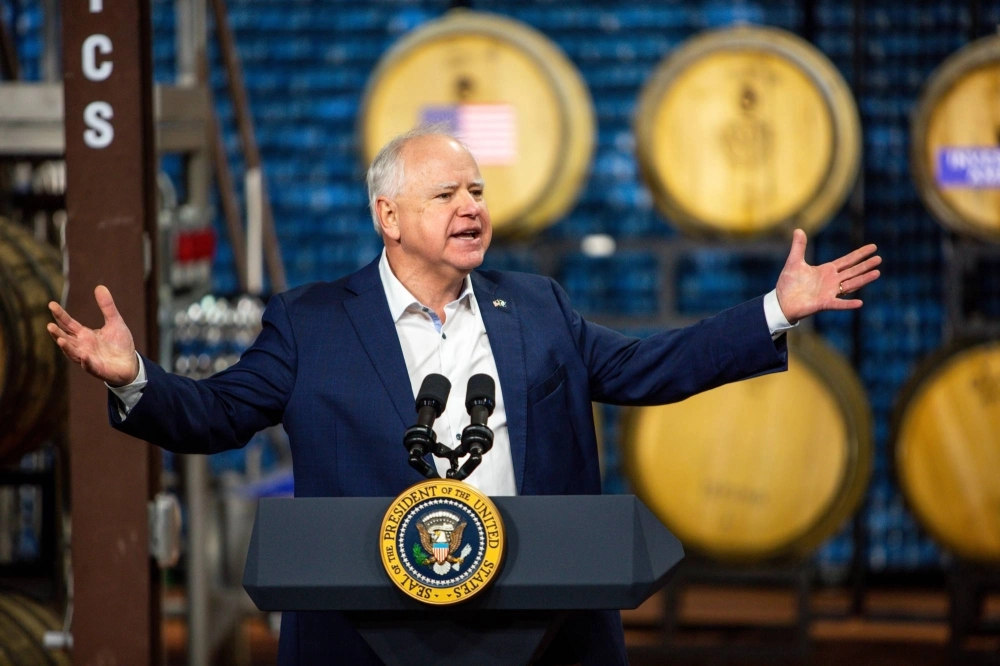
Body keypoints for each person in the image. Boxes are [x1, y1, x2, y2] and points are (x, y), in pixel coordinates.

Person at [48, 127, 881, 665]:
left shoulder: (541, 304)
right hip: (370, 633)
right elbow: (218, 415)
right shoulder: (310, 323)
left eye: (477, 191)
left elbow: (645, 370)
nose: (471, 207)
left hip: (546, 627)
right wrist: (135, 379)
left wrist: (775, 310)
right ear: (388, 216)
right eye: (446, 194)